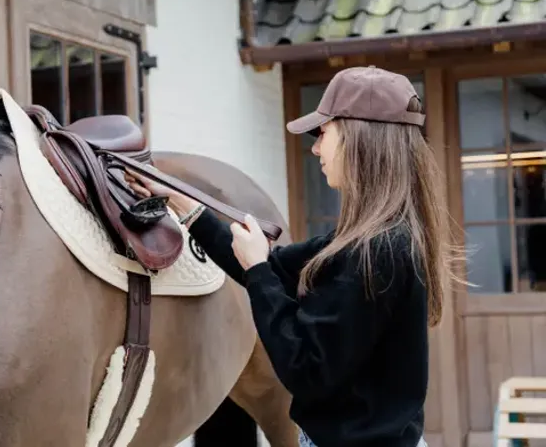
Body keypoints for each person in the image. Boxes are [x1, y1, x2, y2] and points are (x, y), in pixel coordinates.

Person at [126, 66, 463, 447]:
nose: (316, 148)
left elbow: (305, 370)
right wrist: (184, 205)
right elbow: (276, 266)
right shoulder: (380, 238)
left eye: (324, 133)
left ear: (359, 139)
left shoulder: (374, 251)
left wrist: (258, 272)